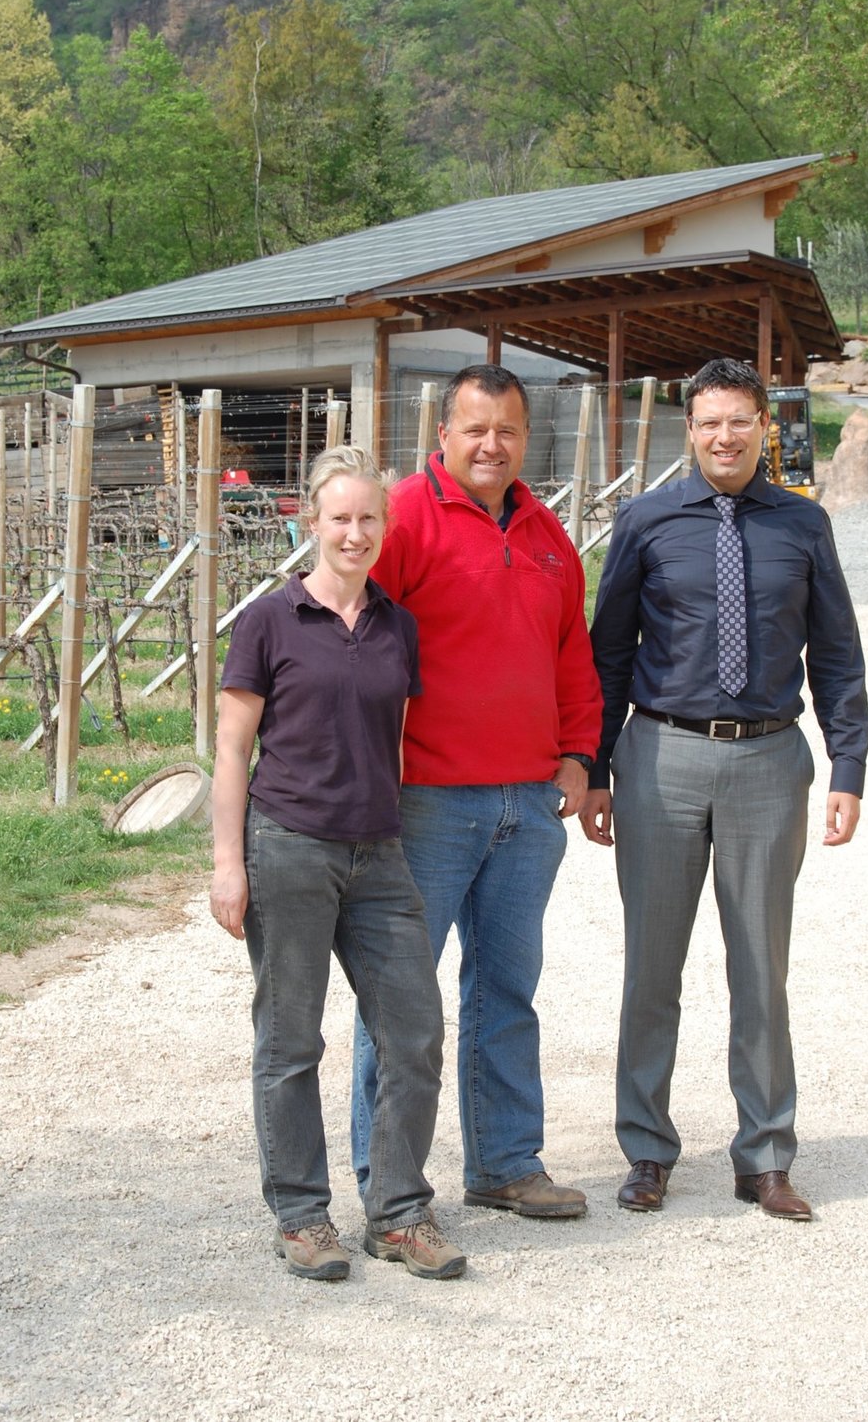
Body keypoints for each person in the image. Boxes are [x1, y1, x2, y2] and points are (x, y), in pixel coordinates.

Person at [580, 358, 868, 1222]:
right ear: (691, 428)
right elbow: (609, 655)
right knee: (651, 969)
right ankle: (646, 1150)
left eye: (740, 420)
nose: (724, 436)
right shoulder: (644, 522)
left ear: (762, 426)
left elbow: (839, 654)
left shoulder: (804, 526)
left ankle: (765, 1156)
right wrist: (595, 768)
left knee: (760, 968)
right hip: (661, 761)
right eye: (709, 422)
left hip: (768, 765)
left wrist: (847, 767)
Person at [352, 364, 602, 1218]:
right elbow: (356, 650)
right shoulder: (405, 520)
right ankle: (389, 1186)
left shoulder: (544, 531)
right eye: (475, 428)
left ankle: (504, 1163)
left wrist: (579, 755)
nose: (491, 444)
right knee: (401, 1003)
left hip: (528, 805)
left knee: (506, 992)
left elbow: (573, 650)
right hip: (425, 804)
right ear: (444, 435)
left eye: (507, 430)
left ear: (526, 439)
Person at [209, 445, 465, 1281]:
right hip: (288, 846)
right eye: (339, 517)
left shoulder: (398, 625)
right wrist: (227, 861)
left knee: (415, 1031)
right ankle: (301, 1215)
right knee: (290, 1040)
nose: (353, 533)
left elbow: (389, 740)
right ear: (310, 522)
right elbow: (232, 745)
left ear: (385, 528)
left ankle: (396, 1213)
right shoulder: (270, 621)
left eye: (368, 519)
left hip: (379, 853)